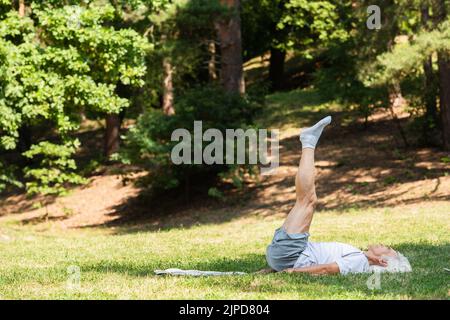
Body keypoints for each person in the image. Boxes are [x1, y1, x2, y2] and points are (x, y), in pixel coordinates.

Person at [263, 116, 411, 275]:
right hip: (290, 252)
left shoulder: (360, 262)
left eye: (387, 248)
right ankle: (308, 141)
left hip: (290, 254)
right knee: (304, 200)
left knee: (308, 200)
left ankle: (308, 141)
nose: (384, 244)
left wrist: (291, 272)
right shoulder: (359, 256)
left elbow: (327, 269)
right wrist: (273, 269)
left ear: (383, 261)